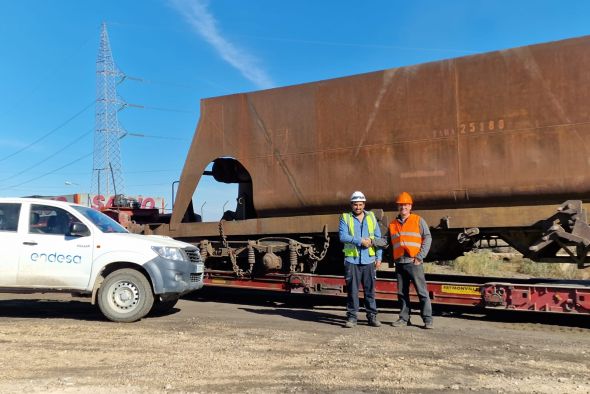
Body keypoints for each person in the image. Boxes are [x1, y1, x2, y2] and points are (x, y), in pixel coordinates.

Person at [388, 192, 433, 329]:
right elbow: (385, 241)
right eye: (401, 205)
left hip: (414, 262)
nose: (403, 207)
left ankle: (427, 320)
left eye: (406, 204)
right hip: (400, 262)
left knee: (422, 292)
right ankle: (404, 318)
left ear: (410, 206)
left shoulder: (418, 220)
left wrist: (420, 257)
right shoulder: (393, 224)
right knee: (402, 293)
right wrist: (371, 241)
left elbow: (428, 237)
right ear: (398, 207)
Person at [338, 191, 382, 328]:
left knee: (370, 291)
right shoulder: (345, 217)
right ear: (351, 205)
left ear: (364, 204)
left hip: (369, 260)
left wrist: (379, 257)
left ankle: (372, 316)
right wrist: (360, 241)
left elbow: (378, 239)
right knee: (352, 291)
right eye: (355, 204)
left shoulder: (371, 217)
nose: (358, 207)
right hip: (352, 260)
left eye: (360, 204)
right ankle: (352, 317)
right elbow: (343, 237)